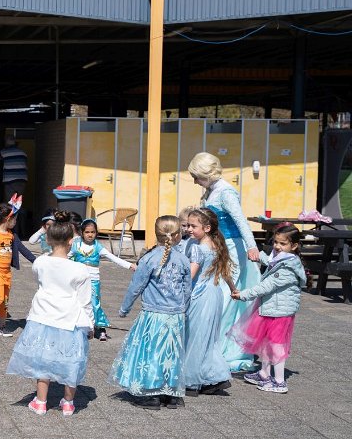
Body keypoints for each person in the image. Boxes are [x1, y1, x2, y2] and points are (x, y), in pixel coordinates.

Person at [6, 213, 93, 416]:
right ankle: (68, 403)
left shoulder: (40, 263)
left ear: (48, 239)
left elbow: (41, 282)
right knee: (72, 360)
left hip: (42, 316)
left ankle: (41, 401)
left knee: (42, 359)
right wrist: (90, 324)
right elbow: (85, 301)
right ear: (72, 240)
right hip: (70, 319)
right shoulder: (80, 269)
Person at [189, 152, 262, 372]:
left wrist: (251, 246)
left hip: (232, 248)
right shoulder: (212, 191)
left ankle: (220, 347)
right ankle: (209, 345)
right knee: (213, 296)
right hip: (218, 247)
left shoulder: (225, 192)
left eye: (197, 177)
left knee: (224, 297)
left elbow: (240, 220)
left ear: (207, 174)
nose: (194, 181)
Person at [110, 216, 192, 410]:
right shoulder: (184, 260)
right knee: (172, 353)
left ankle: (151, 393)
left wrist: (124, 308)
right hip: (175, 316)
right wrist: (183, 310)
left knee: (151, 352)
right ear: (178, 236)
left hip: (153, 315)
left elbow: (135, 287)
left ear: (156, 235)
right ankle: (170, 393)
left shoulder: (148, 259)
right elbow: (187, 290)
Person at [230, 224, 306, 394]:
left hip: (280, 312)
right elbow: (270, 261)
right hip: (270, 308)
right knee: (265, 341)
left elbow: (266, 286)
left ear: (293, 246)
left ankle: (279, 381)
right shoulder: (281, 258)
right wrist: (257, 256)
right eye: (276, 242)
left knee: (276, 345)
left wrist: (243, 294)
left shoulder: (287, 267)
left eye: (283, 244)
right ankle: (264, 373)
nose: (278, 246)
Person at [180, 209, 233, 396]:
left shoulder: (197, 248)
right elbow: (225, 272)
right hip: (215, 293)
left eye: (193, 226)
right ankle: (212, 376)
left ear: (207, 228)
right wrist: (233, 289)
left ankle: (192, 380)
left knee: (194, 337)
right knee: (208, 338)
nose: (189, 229)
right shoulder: (217, 245)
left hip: (200, 295)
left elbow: (190, 275)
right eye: (188, 225)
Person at [70, 218, 136, 342]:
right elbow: (64, 257)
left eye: (93, 232)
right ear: (82, 233)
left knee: (94, 304)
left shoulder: (98, 247)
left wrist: (130, 265)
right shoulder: (76, 245)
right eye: (87, 232)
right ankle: (82, 327)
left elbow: (113, 258)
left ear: (96, 233)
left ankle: (100, 329)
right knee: (78, 303)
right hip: (79, 280)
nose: (90, 235)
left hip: (93, 280)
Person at [0, 201, 36, 338]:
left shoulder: (11, 235)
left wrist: (36, 261)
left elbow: (23, 249)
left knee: (4, 301)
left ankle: (2, 327)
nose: (16, 222)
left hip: (6, 273)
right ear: (7, 219)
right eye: (15, 219)